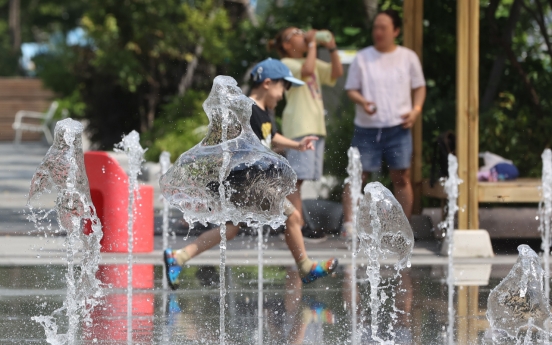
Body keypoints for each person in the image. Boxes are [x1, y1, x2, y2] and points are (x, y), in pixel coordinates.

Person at [163, 58, 338, 290]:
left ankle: (179, 257)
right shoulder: (249, 109)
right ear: (267, 83)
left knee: (231, 228)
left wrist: (297, 145)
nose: (283, 95)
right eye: (283, 88)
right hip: (248, 182)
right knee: (293, 217)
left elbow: (271, 137)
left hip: (247, 182)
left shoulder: (264, 113)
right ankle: (305, 267)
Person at [342, 10, 426, 237]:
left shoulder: (408, 57)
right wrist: (363, 101)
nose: (377, 32)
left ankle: (402, 229)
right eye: (375, 27)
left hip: (399, 126)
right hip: (367, 126)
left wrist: (416, 111)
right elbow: (351, 89)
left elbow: (420, 87)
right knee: (357, 175)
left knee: (401, 176)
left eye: (383, 28)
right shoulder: (362, 57)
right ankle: (349, 225)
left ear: (395, 31)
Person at [269, 27, 343, 242]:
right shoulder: (287, 64)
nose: (303, 35)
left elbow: (336, 73)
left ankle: (297, 224)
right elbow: (308, 71)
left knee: (300, 180)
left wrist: (332, 48)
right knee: (297, 180)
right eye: (297, 33)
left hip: (314, 126)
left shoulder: (307, 60)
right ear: (285, 44)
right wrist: (312, 44)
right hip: (300, 126)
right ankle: (297, 227)